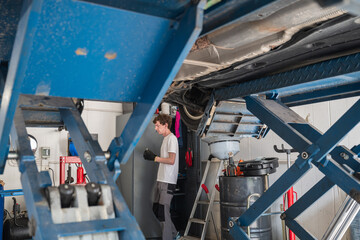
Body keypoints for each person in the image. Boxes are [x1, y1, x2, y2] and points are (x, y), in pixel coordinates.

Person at [143, 114, 179, 240]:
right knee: (157, 210)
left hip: (168, 181)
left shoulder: (172, 139)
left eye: (158, 126)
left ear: (166, 125)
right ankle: (175, 234)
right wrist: (155, 158)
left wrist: (154, 158)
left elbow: (172, 160)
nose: (156, 128)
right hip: (161, 179)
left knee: (163, 213)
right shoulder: (165, 139)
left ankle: (169, 237)